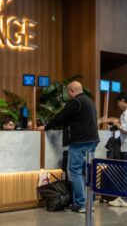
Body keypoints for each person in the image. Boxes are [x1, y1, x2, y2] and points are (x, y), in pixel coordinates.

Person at [38, 81, 98, 213]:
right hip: (92, 141)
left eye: (68, 92)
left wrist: (46, 127)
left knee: (74, 172)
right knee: (85, 171)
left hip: (80, 142)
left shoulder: (75, 102)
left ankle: (81, 204)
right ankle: (88, 203)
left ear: (71, 91)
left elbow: (61, 116)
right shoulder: (89, 101)